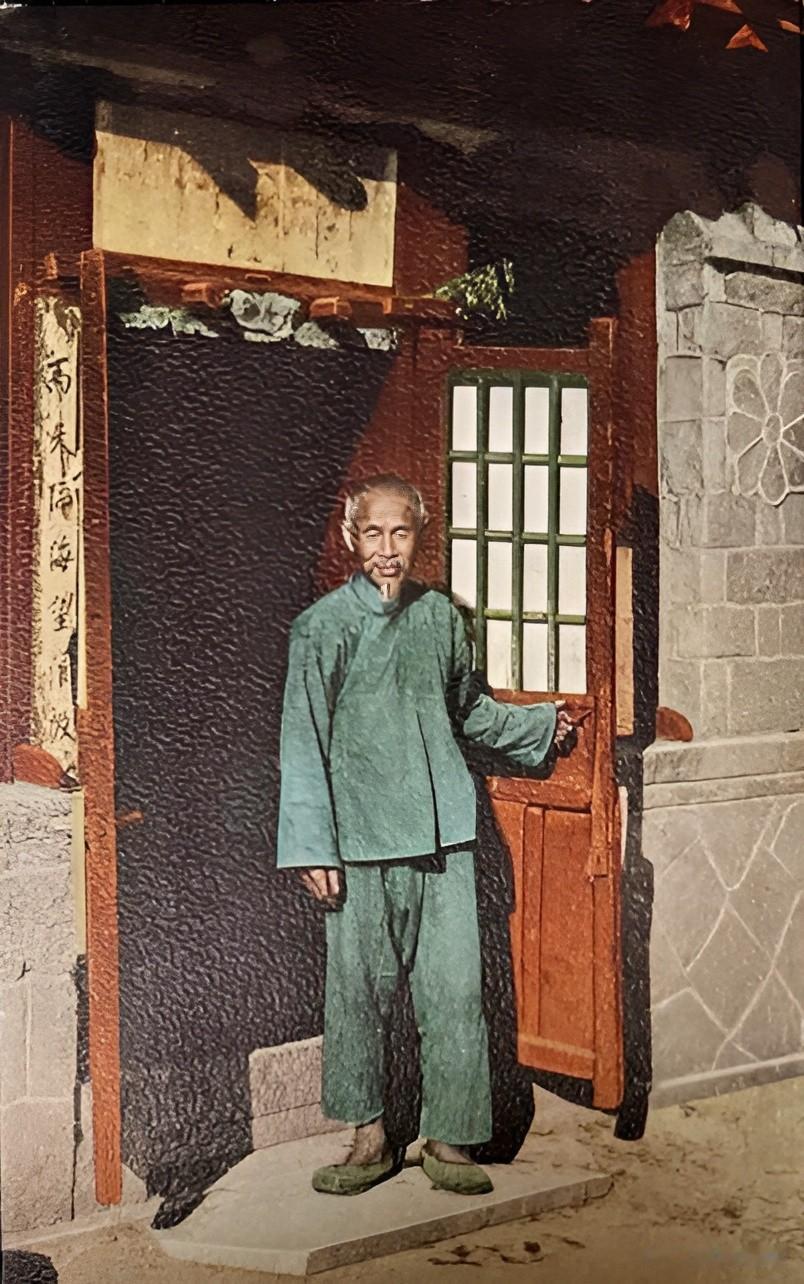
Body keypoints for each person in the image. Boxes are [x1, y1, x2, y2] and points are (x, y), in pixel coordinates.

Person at [276, 474, 573, 1197]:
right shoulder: (321, 628)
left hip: (444, 837)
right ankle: (370, 1137)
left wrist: (540, 725)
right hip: (359, 842)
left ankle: (451, 1138)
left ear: (419, 537)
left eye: (401, 532)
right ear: (351, 538)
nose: (387, 548)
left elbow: (469, 710)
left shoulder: (441, 617)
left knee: (454, 992)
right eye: (373, 533)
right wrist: (311, 847)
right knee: (359, 997)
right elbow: (301, 740)